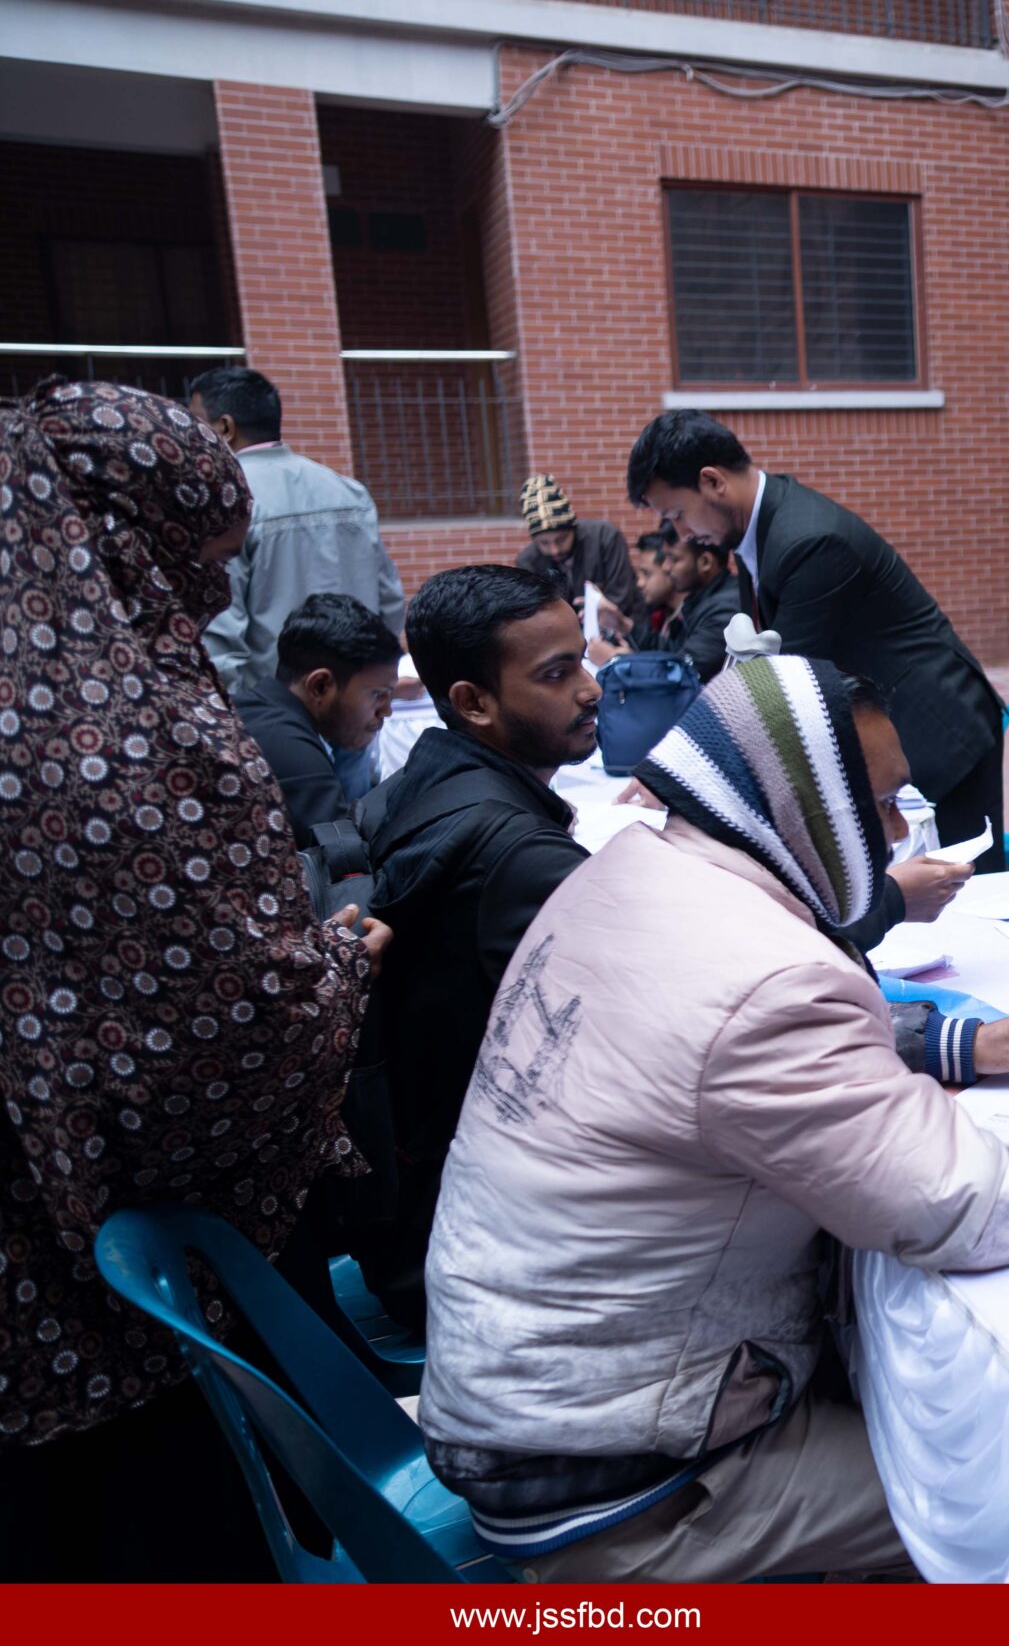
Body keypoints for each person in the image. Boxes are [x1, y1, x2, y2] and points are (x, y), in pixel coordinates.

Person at [419, 656, 1009, 1579]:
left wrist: (954, 1044)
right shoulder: (767, 978)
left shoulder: (639, 868)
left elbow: (705, 1048)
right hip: (627, 1482)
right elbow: (967, 1203)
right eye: (877, 803)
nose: (895, 831)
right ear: (802, 805)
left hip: (528, 1398)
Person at [0, 381, 383, 1578]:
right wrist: (336, 968)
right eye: (204, 561)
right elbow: (217, 1024)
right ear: (122, 544)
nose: (215, 596)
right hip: (106, 1307)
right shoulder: (110, 742)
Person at [351, 564, 601, 1329]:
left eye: (584, 659)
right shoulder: (519, 856)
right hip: (476, 1249)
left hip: (416, 1207)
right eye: (557, 673)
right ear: (472, 703)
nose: (591, 688)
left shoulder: (420, 776)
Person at [627, 411, 1009, 894]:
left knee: (968, 891)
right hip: (890, 726)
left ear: (712, 481)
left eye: (677, 514)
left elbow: (780, 688)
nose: (681, 533)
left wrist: (681, 773)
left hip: (937, 727)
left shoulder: (811, 541)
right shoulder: (758, 529)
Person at [187, 364, 407, 696]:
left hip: (274, 704)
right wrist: (373, 687)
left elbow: (221, 631)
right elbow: (389, 602)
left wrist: (242, 706)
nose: (189, 438)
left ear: (225, 427)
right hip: (354, 700)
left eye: (195, 423)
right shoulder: (349, 491)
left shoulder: (226, 501)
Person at [234, 592, 403, 847]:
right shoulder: (289, 748)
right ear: (320, 685)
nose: (386, 711)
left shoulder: (258, 713)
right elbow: (347, 857)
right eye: (378, 695)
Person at [592, 531, 743, 686]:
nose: (666, 567)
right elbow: (673, 652)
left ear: (705, 562)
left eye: (674, 559)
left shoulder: (724, 608)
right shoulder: (702, 601)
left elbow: (682, 675)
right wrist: (624, 626)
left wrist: (619, 661)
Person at [515, 472, 644, 625]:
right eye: (544, 543)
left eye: (561, 539)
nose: (555, 550)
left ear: (574, 528)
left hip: (624, 627)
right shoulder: (528, 561)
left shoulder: (605, 537)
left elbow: (621, 595)